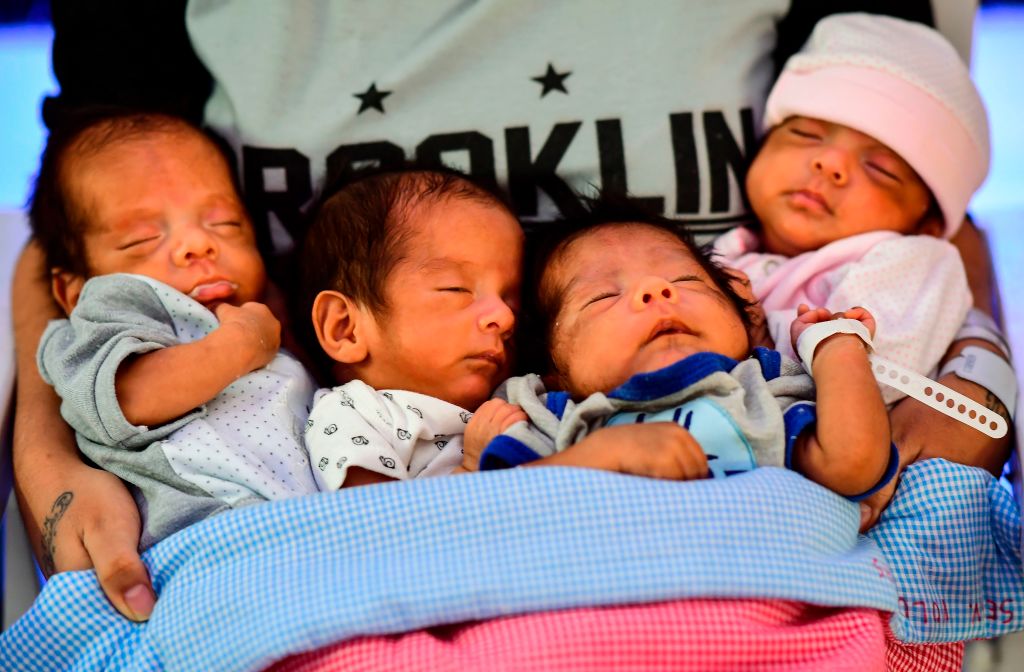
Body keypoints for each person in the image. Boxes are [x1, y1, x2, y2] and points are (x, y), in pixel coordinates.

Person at [11, 1, 1010, 622]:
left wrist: (979, 385)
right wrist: (50, 456)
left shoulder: (759, 337)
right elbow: (77, 216)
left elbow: (928, 210)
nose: (496, 317)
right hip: (311, 514)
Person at [462, 200, 896, 506]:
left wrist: (837, 348)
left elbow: (853, 464)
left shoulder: (763, 387)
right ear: (552, 369)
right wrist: (597, 458)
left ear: (748, 320)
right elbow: (492, 511)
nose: (655, 290)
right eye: (602, 297)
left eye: (686, 280)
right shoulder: (553, 417)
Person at [28, 109, 319, 552]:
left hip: (312, 527)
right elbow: (132, 397)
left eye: (225, 225)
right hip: (214, 538)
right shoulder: (99, 326)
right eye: (142, 240)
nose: (198, 245)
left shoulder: (269, 313)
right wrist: (243, 344)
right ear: (72, 291)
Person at [714, 14, 1010, 412]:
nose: (830, 163)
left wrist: (750, 329)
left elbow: (870, 378)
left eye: (881, 169)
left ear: (928, 223)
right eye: (806, 134)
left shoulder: (916, 261)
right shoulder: (729, 249)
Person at [297, 166, 523, 488]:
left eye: (513, 302)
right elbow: (377, 526)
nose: (505, 317)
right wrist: (472, 470)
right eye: (455, 289)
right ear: (345, 328)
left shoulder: (516, 395)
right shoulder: (356, 414)